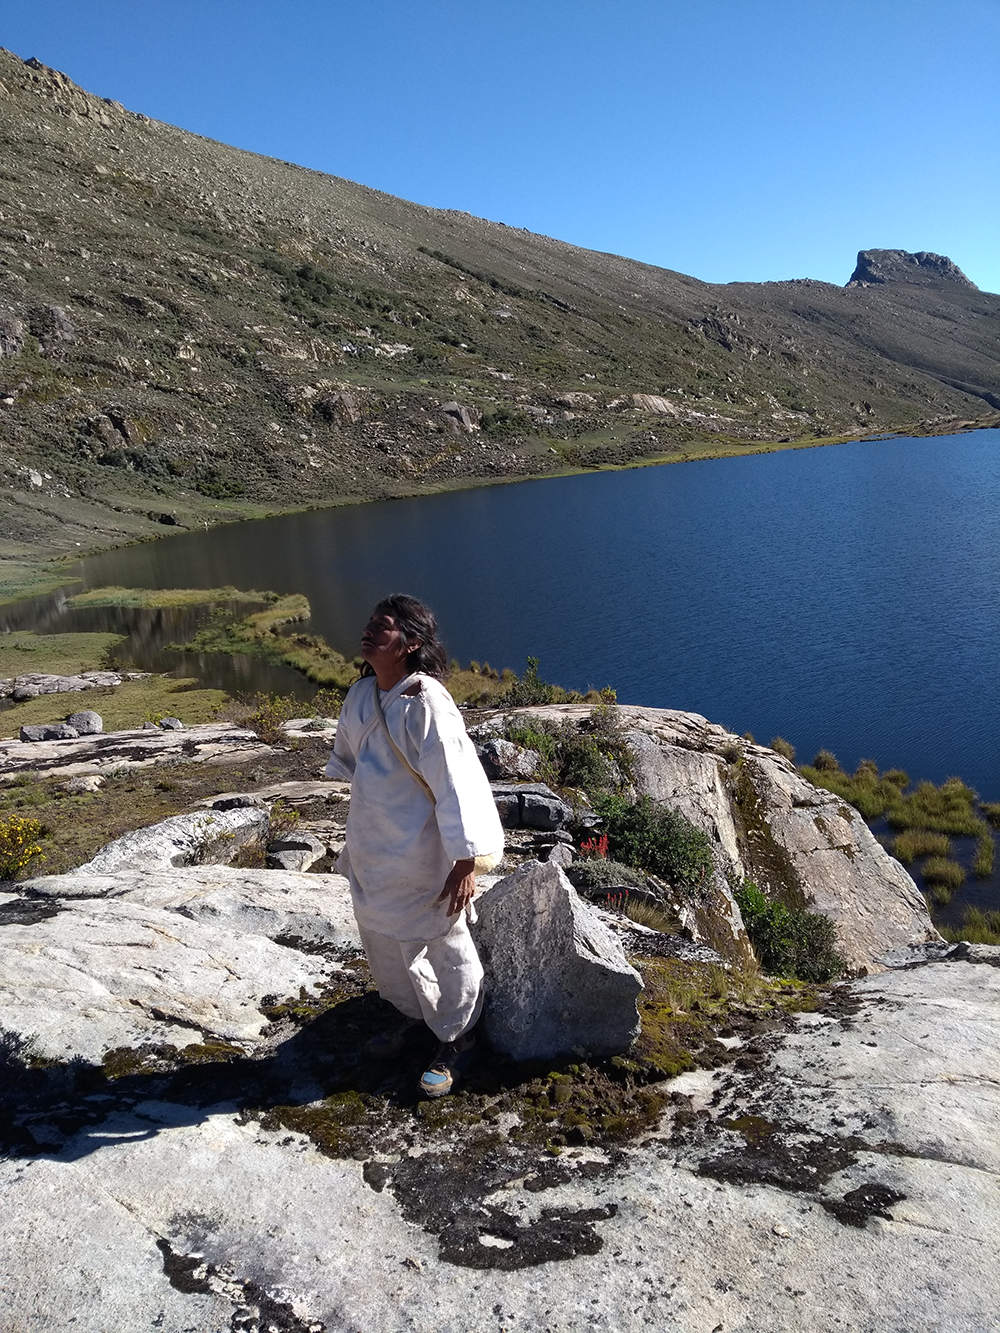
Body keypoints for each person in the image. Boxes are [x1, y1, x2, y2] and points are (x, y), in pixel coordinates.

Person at [325, 594, 504, 1097]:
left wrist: (466, 860)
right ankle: (412, 1018)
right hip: (373, 847)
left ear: (411, 643)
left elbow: (457, 782)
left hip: (424, 853)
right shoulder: (361, 696)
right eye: (369, 624)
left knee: (439, 943)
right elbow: (352, 764)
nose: (368, 633)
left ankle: (458, 1036)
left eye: (382, 628)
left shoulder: (427, 704)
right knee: (382, 941)